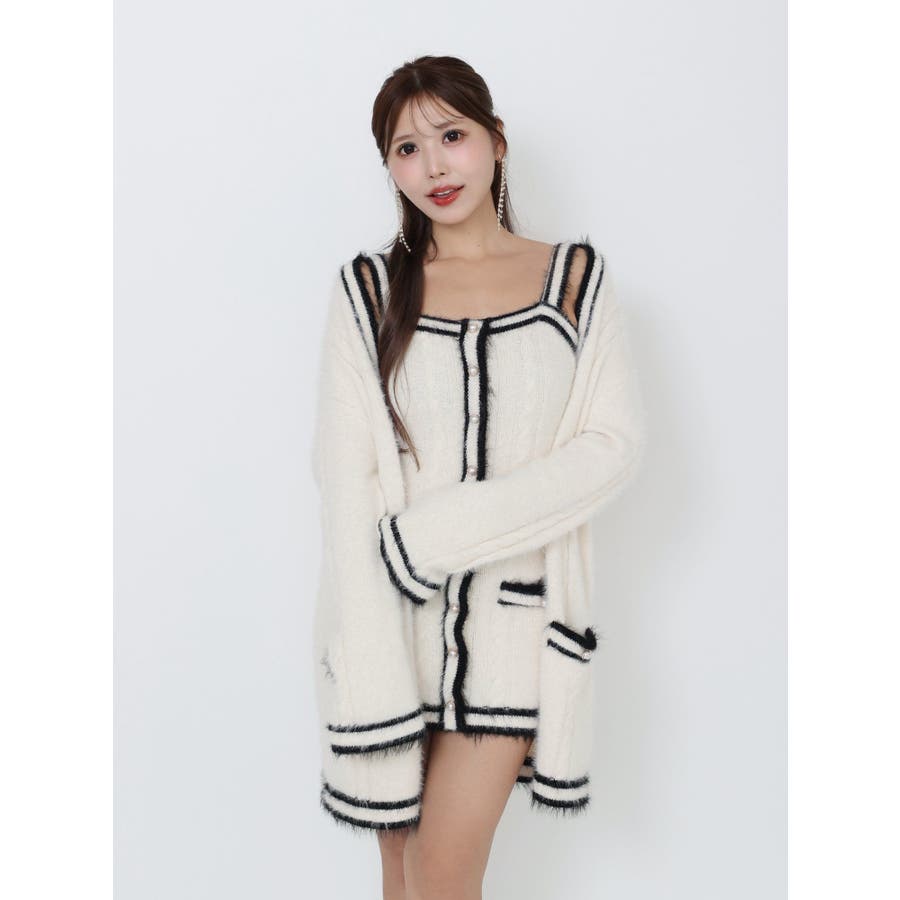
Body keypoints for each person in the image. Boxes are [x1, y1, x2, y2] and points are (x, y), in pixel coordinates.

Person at [311, 55, 647, 900]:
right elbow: (344, 477)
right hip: (386, 629)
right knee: (402, 877)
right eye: (407, 148)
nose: (434, 165)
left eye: (452, 136)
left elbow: (610, 446)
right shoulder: (368, 292)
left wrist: (432, 538)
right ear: (389, 168)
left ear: (496, 141)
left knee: (441, 872)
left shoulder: (574, 280)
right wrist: (369, 634)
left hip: (512, 632)